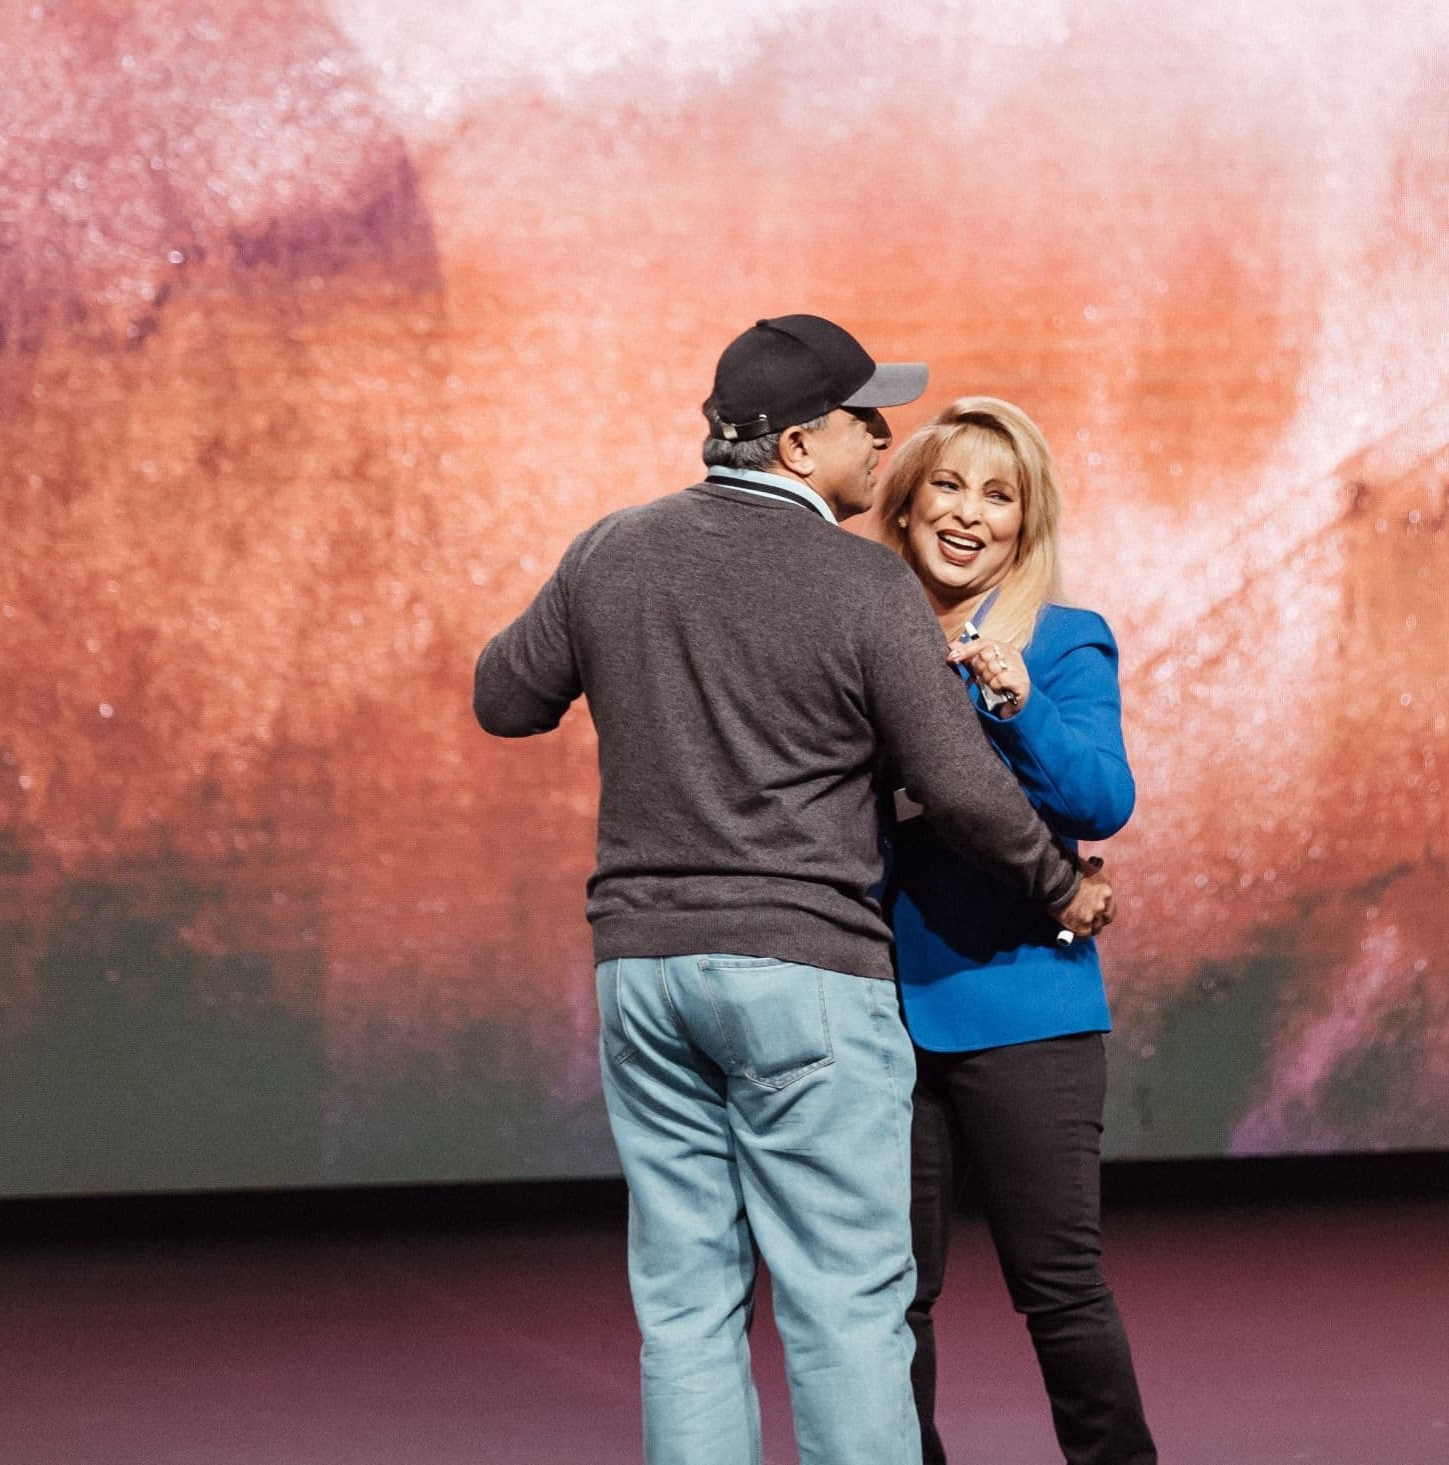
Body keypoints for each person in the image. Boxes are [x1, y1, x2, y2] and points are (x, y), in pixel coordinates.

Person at [473, 316, 1112, 1465]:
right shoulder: (863, 583)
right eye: (866, 422)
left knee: (684, 1302)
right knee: (847, 1303)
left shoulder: (611, 550)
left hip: (644, 976)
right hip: (806, 979)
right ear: (799, 444)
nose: (883, 443)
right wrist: (1061, 886)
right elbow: (961, 791)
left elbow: (503, 698)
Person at [875, 398, 1156, 1464]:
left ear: (1025, 525)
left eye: (999, 496)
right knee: (889, 1297)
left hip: (1027, 1009)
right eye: (947, 484)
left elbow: (1101, 798)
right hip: (878, 1017)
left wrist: (1016, 702)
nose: (968, 513)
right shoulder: (863, 633)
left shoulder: (1061, 636)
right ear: (902, 507)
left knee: (1060, 1289)